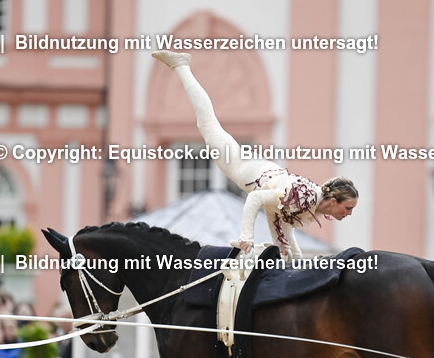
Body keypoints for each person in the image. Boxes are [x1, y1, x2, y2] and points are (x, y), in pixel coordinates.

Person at [152, 50, 358, 260]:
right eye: (348, 207)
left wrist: (289, 251)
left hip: (251, 167)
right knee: (206, 122)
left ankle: (181, 66)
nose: (349, 213)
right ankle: (181, 66)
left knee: (208, 122)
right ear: (333, 201)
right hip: (238, 164)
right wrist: (247, 237)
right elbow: (256, 198)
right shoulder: (305, 195)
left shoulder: (311, 202)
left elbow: (277, 213)